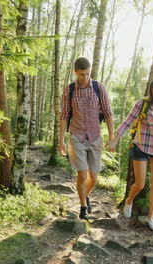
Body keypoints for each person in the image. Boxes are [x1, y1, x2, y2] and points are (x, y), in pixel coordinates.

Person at [106, 76, 153, 231]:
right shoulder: (142, 104)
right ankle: (129, 200)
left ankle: (150, 217)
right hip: (141, 148)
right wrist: (115, 140)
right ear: (151, 91)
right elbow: (127, 123)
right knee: (140, 183)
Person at [59, 57, 115, 220]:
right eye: (82, 74)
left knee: (94, 177)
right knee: (82, 176)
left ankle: (85, 195)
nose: (85, 78)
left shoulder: (99, 88)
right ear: (75, 72)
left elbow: (108, 113)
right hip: (76, 137)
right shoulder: (69, 90)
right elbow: (64, 116)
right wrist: (61, 140)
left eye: (88, 74)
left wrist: (111, 136)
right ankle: (83, 206)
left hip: (95, 137)